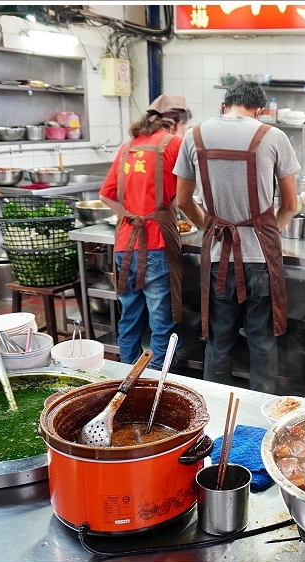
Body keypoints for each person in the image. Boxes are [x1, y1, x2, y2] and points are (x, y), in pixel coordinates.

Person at [175, 80, 299, 394]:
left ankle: (214, 413)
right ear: (259, 109)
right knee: (261, 342)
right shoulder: (273, 136)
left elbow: (183, 201)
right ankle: (260, 417)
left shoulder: (194, 135)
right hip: (260, 259)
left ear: (224, 105)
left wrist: (209, 226)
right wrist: (269, 231)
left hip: (218, 257)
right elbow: (291, 205)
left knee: (218, 341)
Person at [98, 94, 192, 370]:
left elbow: (105, 195)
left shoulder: (129, 147)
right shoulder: (174, 144)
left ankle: (126, 375)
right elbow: (185, 196)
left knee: (129, 316)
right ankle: (155, 384)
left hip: (124, 244)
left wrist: (131, 213)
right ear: (177, 123)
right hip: (155, 245)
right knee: (161, 320)